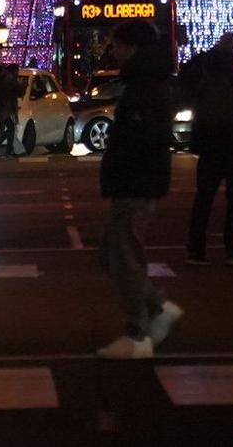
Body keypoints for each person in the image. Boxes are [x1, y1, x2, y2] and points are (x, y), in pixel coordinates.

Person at [96, 19, 183, 359]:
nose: (112, 51)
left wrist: (119, 165)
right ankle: (158, 308)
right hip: (136, 179)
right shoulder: (147, 82)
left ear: (132, 48)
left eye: (117, 45)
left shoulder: (144, 86)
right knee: (111, 255)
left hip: (135, 181)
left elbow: (140, 138)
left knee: (124, 257)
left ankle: (137, 334)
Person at [181, 32, 233, 264]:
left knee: (204, 197)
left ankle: (195, 249)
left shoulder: (204, 63)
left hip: (209, 140)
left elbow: (183, 79)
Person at [0, 63, 24, 158]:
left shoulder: (6, 78)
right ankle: (1, 147)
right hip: (6, 107)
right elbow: (16, 91)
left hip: (5, 107)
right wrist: (21, 85)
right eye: (17, 70)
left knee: (8, 129)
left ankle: (5, 148)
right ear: (13, 70)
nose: (18, 72)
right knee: (10, 128)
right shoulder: (9, 79)